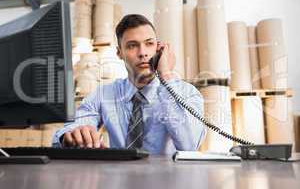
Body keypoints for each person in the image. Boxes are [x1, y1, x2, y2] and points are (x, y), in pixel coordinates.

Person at [53, 14, 206, 154]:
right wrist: (74, 134)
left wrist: (166, 75)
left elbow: (189, 145)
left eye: (149, 44)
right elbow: (70, 129)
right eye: (132, 45)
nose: (143, 53)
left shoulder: (187, 93)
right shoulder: (104, 94)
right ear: (119, 53)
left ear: (159, 49)